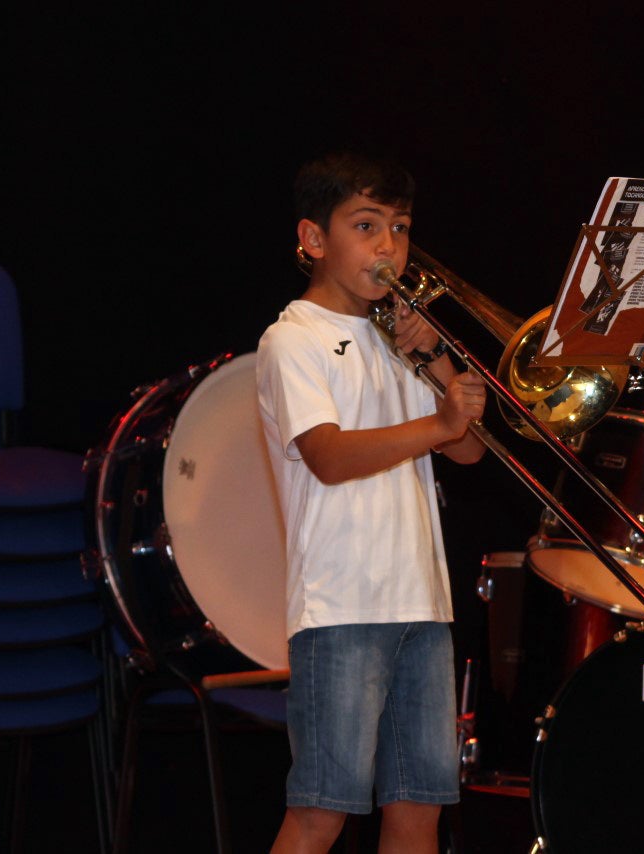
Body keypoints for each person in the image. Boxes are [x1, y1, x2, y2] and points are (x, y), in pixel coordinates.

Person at [256, 150, 487, 854]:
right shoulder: (290, 339)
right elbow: (328, 456)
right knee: (323, 809)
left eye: (400, 227)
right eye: (366, 225)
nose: (388, 246)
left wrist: (437, 359)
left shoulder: (397, 340)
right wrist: (439, 424)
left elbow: (470, 449)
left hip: (423, 602)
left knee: (418, 809)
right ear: (314, 239)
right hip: (342, 608)